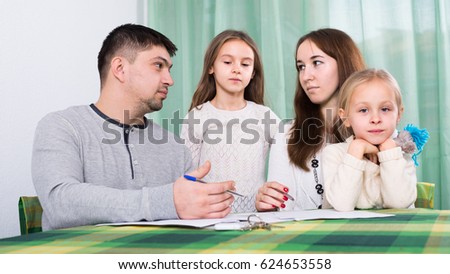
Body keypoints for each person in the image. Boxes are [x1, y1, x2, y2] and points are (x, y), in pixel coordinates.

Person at [31, 24, 236, 231]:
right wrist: (164, 201)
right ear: (120, 69)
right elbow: (60, 203)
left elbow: (198, 210)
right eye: (158, 66)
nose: (170, 80)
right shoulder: (62, 127)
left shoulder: (174, 147)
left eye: (169, 69)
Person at [255, 28, 366, 211]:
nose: (306, 76)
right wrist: (269, 206)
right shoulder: (286, 135)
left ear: (344, 63)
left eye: (317, 62)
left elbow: (400, 205)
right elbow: (282, 210)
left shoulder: (376, 126)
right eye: (301, 67)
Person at [181, 30, 280, 213]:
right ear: (211, 67)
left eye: (245, 64)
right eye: (227, 62)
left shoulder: (264, 116)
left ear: (252, 73)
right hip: (210, 216)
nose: (236, 69)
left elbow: (290, 155)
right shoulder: (196, 117)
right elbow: (188, 177)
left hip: (255, 217)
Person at [323, 69, 417, 211]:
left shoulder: (401, 155)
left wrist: (388, 152)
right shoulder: (334, 153)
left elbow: (399, 204)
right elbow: (342, 205)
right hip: (345, 232)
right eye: (363, 110)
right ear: (345, 117)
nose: (375, 119)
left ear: (399, 114)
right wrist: (356, 150)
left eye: (385, 109)